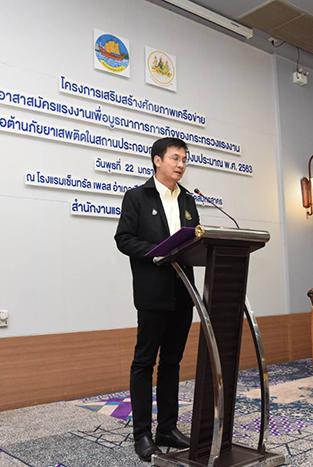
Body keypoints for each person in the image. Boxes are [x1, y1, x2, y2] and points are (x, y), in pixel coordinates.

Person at [115, 137, 200, 462]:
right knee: (144, 362)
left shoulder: (188, 199)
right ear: (157, 160)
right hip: (153, 292)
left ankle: (167, 428)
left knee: (172, 363)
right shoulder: (137, 197)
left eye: (184, 160)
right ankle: (142, 434)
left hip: (183, 292)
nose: (181, 165)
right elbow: (124, 239)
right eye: (175, 158)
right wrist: (156, 252)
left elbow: (194, 240)